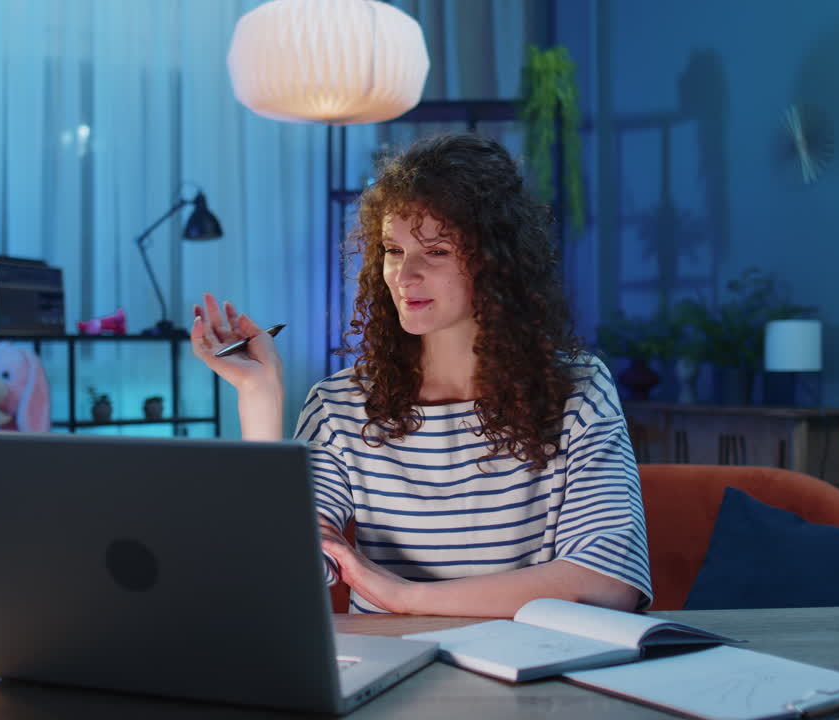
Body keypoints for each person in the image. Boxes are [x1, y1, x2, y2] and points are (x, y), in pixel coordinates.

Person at [191, 133, 650, 617]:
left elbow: (610, 581)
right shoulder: (340, 404)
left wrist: (407, 596)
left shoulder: (577, 390)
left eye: (436, 252)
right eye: (393, 249)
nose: (404, 276)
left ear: (495, 263)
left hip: (533, 672)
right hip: (389, 674)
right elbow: (278, 570)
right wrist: (259, 395)